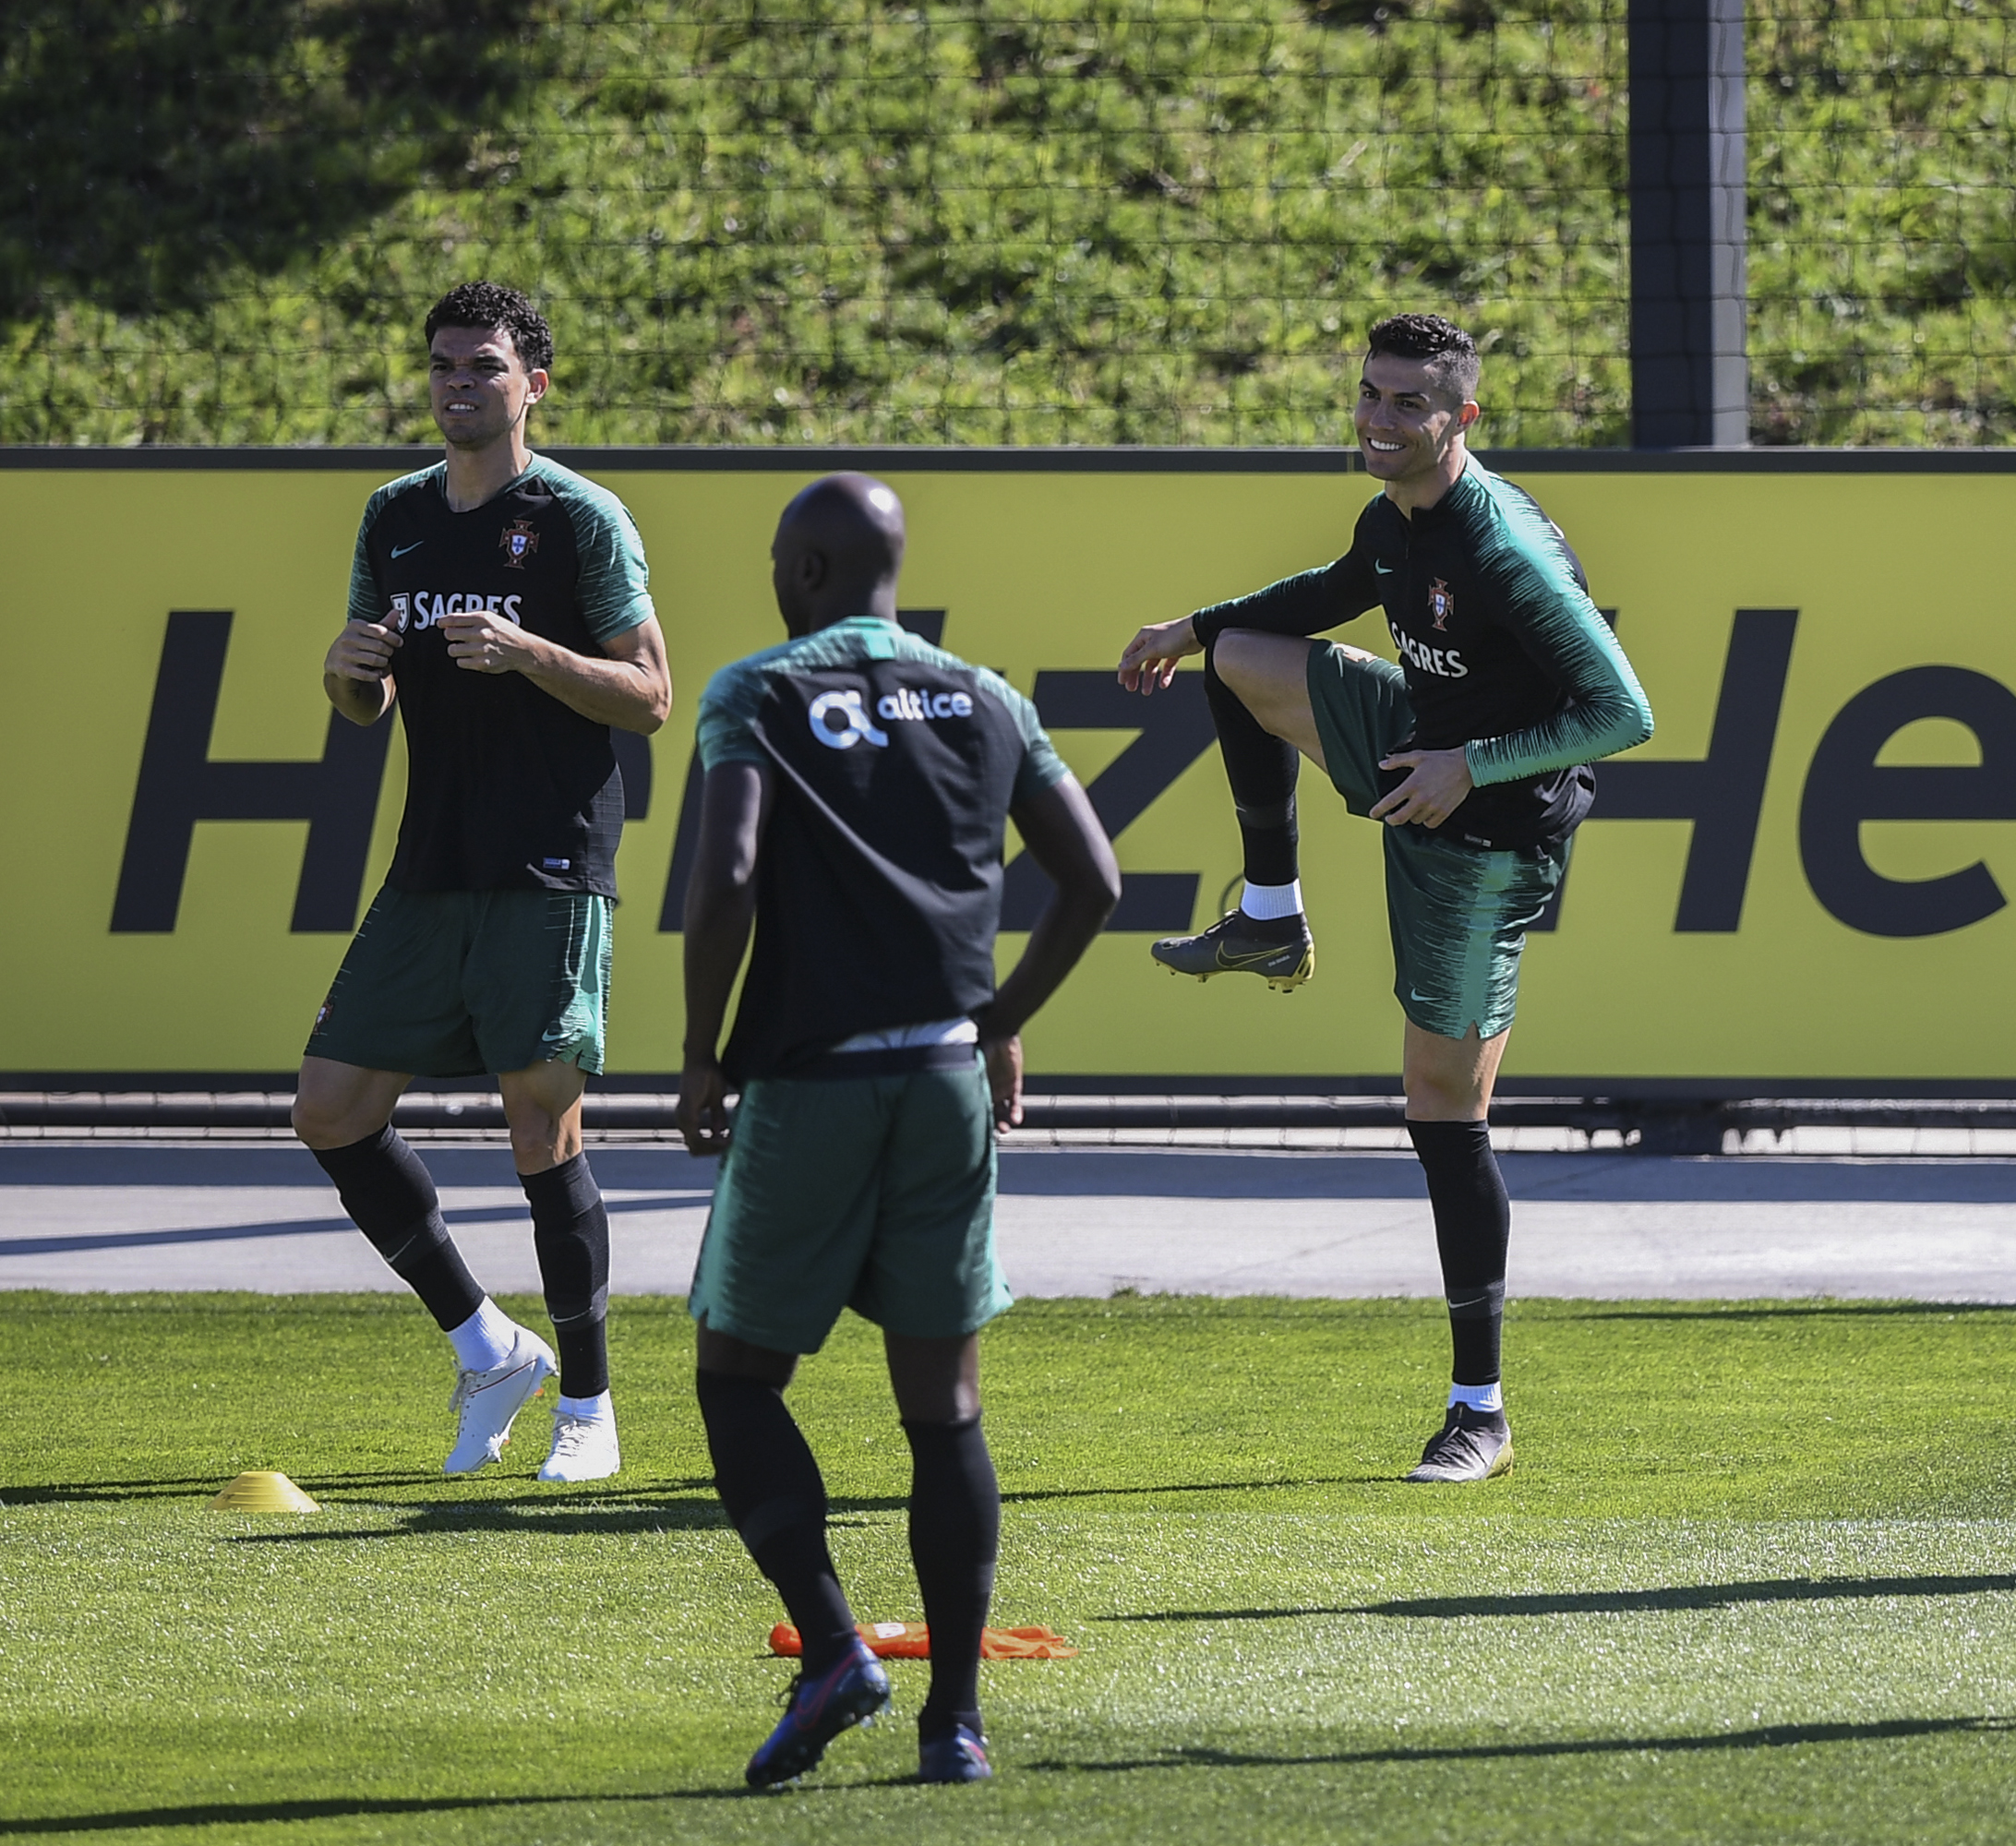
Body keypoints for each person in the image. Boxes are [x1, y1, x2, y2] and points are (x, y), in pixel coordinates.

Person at [1115, 313, 1653, 1483]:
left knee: (1442, 1106)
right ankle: (1269, 912)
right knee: (1246, 660)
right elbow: (1328, 590)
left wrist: (1474, 764)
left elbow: (1624, 714)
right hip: (1420, 753)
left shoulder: (1502, 547)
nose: (1379, 417)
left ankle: (1480, 1412)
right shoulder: (1389, 516)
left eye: (1411, 403)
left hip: (1489, 832)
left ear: (1464, 418)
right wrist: (1194, 624)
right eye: (1370, 393)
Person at [678, 473, 1119, 1788]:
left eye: (776, 560)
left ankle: (833, 1649)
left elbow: (732, 876)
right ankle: (958, 1728)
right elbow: (1093, 881)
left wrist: (703, 1053)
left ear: (806, 573)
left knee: (738, 1375)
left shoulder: (757, 690)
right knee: (945, 1410)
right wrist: (997, 1017)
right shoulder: (988, 696)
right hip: (943, 1080)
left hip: (812, 1083)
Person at [294, 282, 671, 1483]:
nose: (461, 385)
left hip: (553, 861)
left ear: (534, 386)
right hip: (432, 864)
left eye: (486, 368)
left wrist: (528, 652)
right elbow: (369, 702)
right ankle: (484, 1341)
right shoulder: (395, 516)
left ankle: (590, 1410)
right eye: (446, 365)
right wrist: (348, 674)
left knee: (538, 1125)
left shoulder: (577, 519)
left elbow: (652, 696)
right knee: (331, 1109)